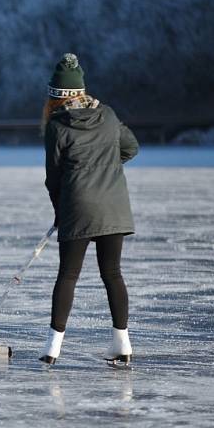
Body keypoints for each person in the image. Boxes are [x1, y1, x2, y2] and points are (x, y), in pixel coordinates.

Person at [39, 53, 139, 367]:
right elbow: (131, 147)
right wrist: (105, 168)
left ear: (56, 96)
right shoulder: (108, 115)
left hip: (78, 206)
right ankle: (122, 344)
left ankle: (53, 348)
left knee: (68, 275)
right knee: (113, 274)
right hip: (114, 205)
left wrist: (60, 208)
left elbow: (53, 176)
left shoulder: (57, 124)